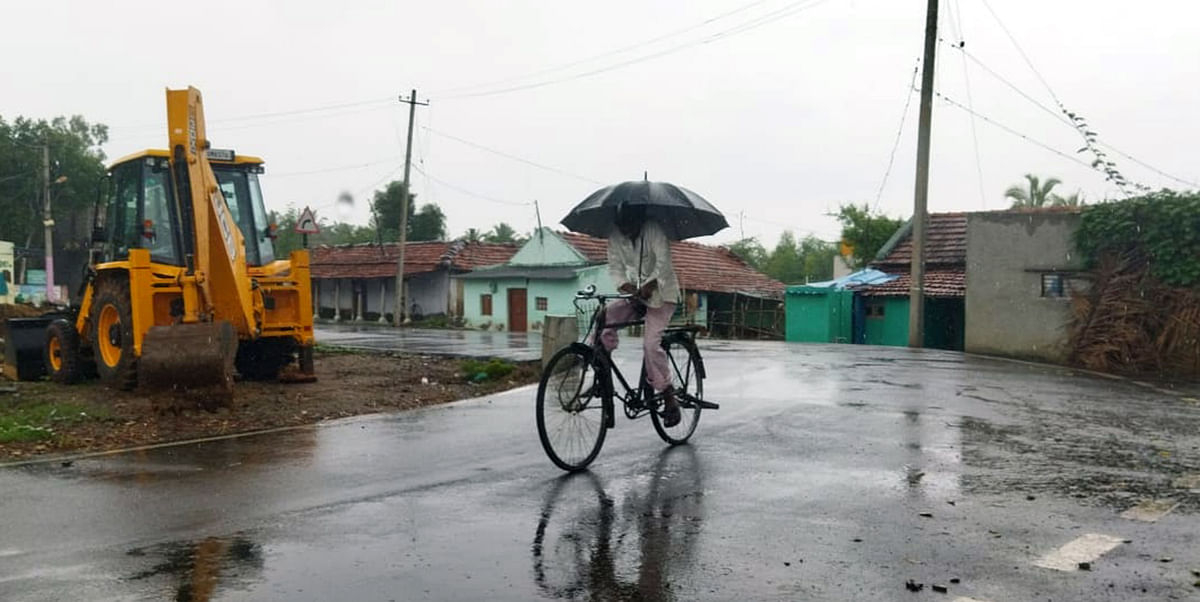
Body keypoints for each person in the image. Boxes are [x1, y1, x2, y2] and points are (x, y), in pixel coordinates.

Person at [597, 202, 682, 427]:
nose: (626, 231)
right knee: (603, 320)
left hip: (662, 295)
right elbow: (615, 267)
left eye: (631, 226)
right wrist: (627, 287)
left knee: (650, 345)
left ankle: (668, 395)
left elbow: (663, 264)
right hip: (637, 294)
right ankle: (601, 372)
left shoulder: (654, 230)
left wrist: (650, 284)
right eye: (622, 226)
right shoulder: (616, 234)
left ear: (641, 220)